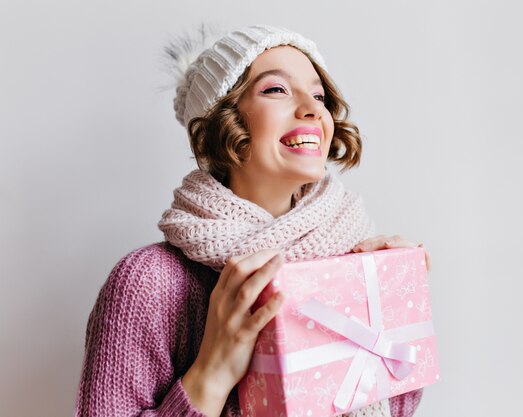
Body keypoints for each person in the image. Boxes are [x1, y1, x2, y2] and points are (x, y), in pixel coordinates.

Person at [75, 24, 431, 417]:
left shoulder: (350, 259)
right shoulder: (148, 284)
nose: (314, 108)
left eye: (319, 95)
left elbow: (394, 406)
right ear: (223, 122)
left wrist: (393, 310)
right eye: (276, 89)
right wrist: (211, 372)